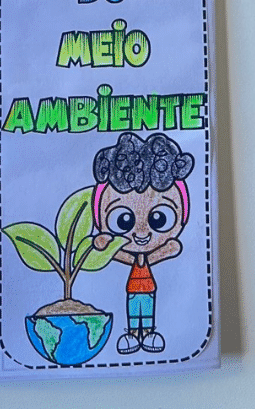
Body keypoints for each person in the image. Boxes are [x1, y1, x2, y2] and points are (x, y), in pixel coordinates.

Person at [91, 132, 193, 354]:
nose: (141, 232)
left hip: (148, 285)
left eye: (159, 219)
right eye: (123, 221)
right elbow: (118, 254)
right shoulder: (134, 255)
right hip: (133, 286)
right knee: (133, 308)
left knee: (146, 309)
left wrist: (164, 251)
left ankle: (147, 333)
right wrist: (106, 246)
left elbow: (164, 251)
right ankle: (132, 333)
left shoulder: (148, 254)